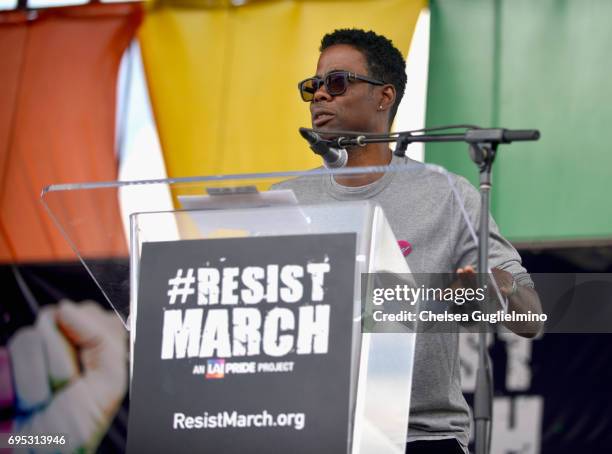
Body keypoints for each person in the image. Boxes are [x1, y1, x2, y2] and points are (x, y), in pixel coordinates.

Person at [277, 28, 543, 453]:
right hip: (306, 432)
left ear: (384, 97)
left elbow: (532, 318)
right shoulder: (286, 199)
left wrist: (495, 286)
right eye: (313, 87)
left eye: (337, 82)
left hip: (418, 436)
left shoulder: (445, 193)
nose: (320, 97)